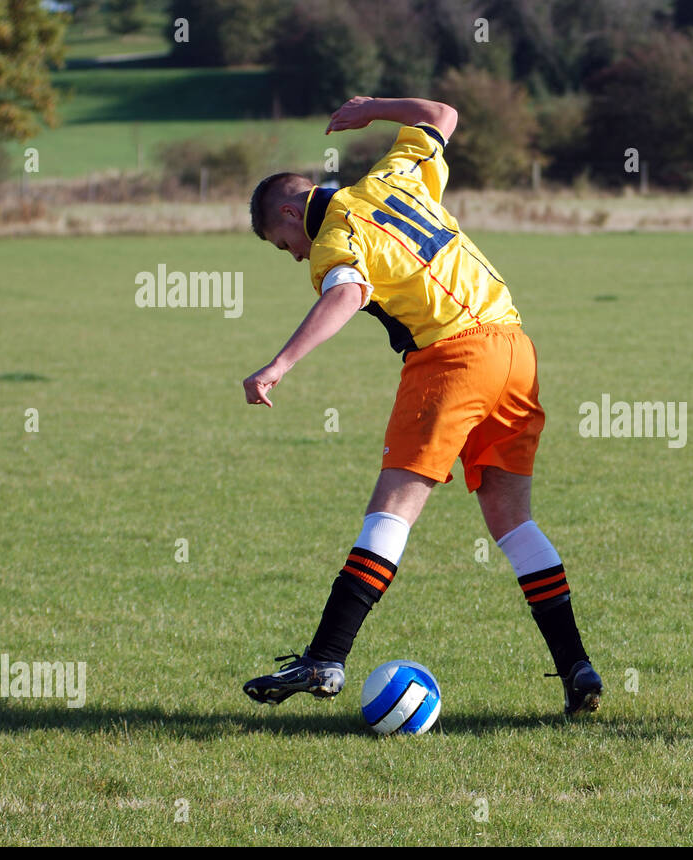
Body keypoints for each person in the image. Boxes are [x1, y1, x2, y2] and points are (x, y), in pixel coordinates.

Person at [239, 95, 602, 716]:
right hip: (515, 350)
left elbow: (347, 293)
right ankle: (578, 668)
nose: (295, 256)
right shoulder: (393, 174)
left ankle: (326, 656)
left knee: (393, 510)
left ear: (288, 211)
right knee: (512, 521)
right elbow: (442, 114)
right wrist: (370, 108)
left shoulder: (334, 234)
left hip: (451, 359)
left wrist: (278, 364)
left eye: (282, 244)